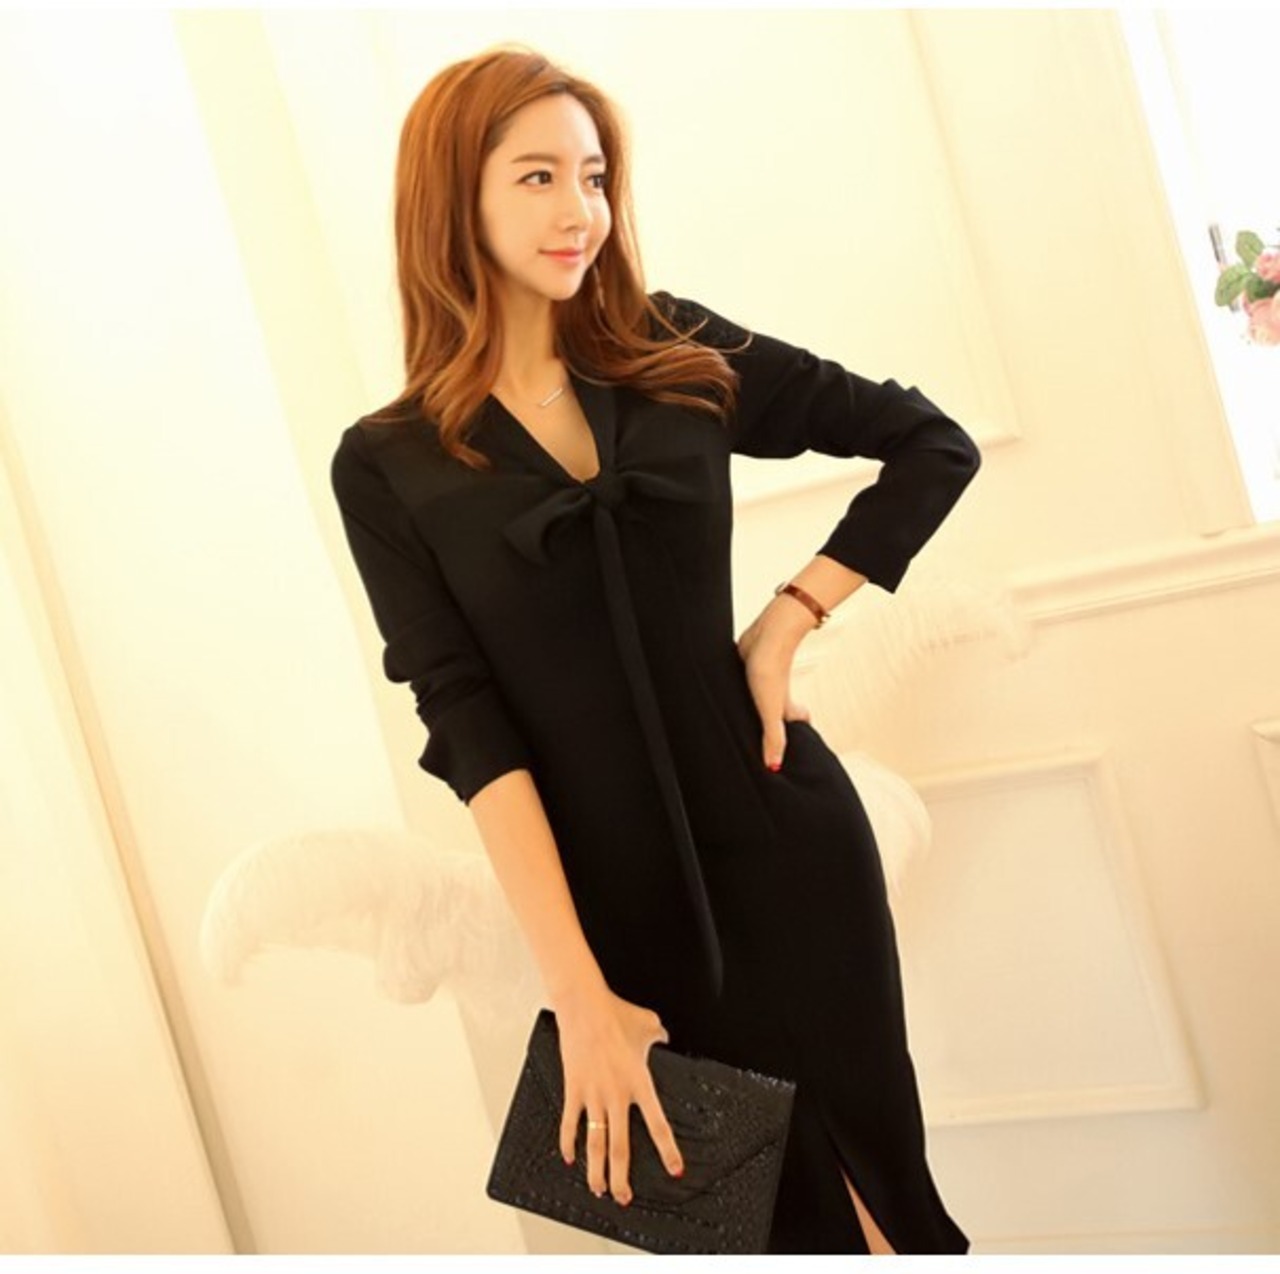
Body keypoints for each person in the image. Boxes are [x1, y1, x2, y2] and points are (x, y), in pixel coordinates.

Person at [329, 44, 980, 1255]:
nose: (578, 210)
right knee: (776, 1232)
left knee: (891, 1206)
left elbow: (929, 442)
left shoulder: (670, 346)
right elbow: (470, 729)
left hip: (791, 842)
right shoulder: (386, 463)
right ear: (451, 195)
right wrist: (575, 989)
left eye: (592, 176)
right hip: (617, 908)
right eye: (536, 177)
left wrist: (788, 617)